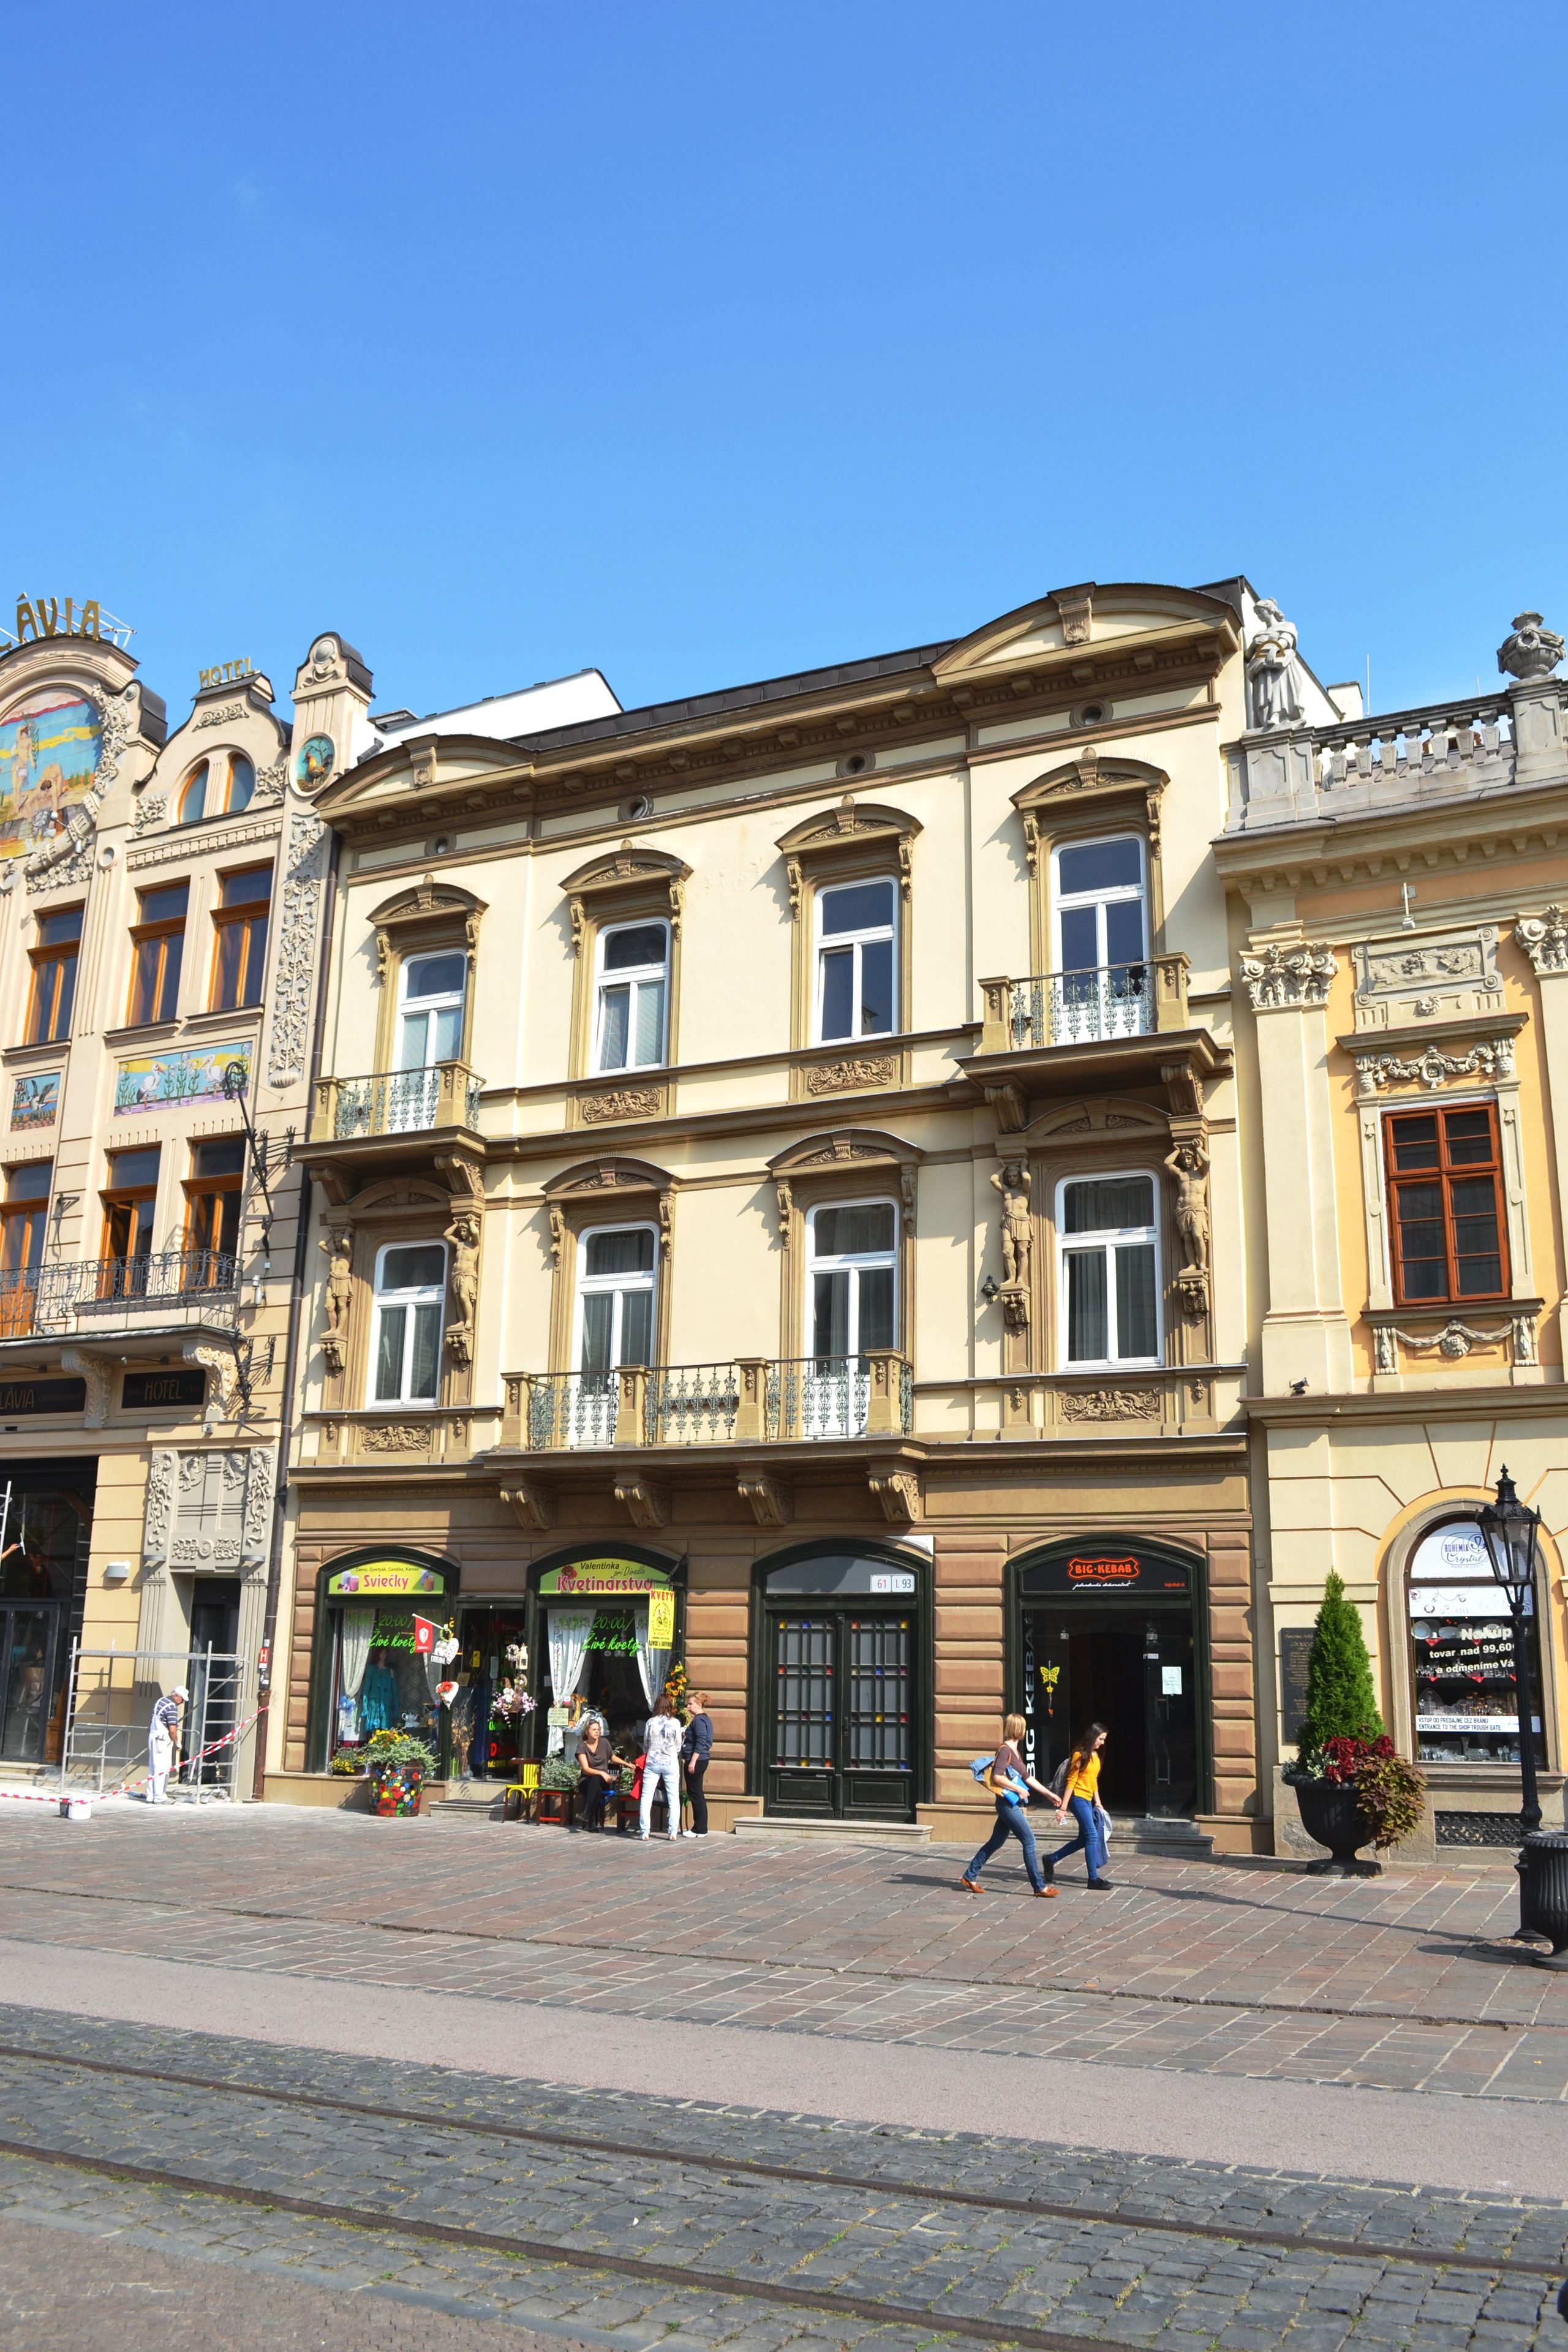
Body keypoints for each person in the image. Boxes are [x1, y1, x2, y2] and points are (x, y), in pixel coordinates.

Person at [959, 1714, 1061, 1897]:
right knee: (1029, 1841)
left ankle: (969, 1876)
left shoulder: (1015, 1752)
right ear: (1019, 1729)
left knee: (995, 1842)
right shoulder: (1005, 1751)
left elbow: (1027, 1778)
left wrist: (1049, 1794)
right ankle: (1039, 1887)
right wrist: (1019, 1789)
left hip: (1009, 1803)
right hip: (1007, 1805)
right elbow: (997, 1777)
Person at [1046, 1722, 1114, 1889]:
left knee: (1084, 1839)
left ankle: (1051, 1859)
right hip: (1077, 1798)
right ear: (1093, 1736)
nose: (1102, 1743)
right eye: (1101, 1739)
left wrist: (1098, 1802)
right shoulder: (1079, 1755)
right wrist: (1063, 1808)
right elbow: (1071, 1782)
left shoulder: (1096, 1756)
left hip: (1088, 1799)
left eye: (1104, 1739)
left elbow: (1094, 1781)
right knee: (1092, 1835)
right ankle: (1093, 1879)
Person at [638, 1692, 684, 1842]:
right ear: (669, 1706)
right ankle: (673, 1832)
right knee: (673, 1797)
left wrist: (650, 1752)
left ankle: (645, 1831)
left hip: (652, 1761)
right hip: (670, 1761)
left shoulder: (650, 1722)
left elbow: (646, 1744)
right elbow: (678, 1745)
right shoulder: (676, 1723)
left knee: (646, 1797)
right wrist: (672, 1754)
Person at [576, 1714, 619, 1831]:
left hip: (604, 1781)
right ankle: (592, 1823)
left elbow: (613, 1757)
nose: (597, 1732)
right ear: (587, 1732)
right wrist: (602, 1773)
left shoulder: (604, 1742)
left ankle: (587, 1812)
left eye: (598, 1730)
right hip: (586, 1780)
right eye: (594, 1729)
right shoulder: (582, 1746)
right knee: (597, 1787)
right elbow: (586, 1769)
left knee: (597, 1780)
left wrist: (627, 1764)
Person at [680, 1691, 713, 1838]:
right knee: (697, 1793)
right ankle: (700, 1828)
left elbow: (701, 1740)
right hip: (701, 1759)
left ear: (699, 1705)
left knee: (695, 1794)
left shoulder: (699, 1721)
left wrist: (693, 1761)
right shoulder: (705, 1719)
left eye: (690, 1704)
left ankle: (700, 1829)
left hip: (697, 1760)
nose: (688, 1707)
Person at [147, 1685, 186, 1803]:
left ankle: (151, 1795)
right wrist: (177, 1742)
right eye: (182, 1699)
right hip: (162, 1739)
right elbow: (172, 1729)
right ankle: (159, 1797)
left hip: (153, 1736)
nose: (182, 1702)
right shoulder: (172, 1707)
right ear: (176, 1696)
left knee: (153, 1768)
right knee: (162, 1768)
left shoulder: (160, 1701)